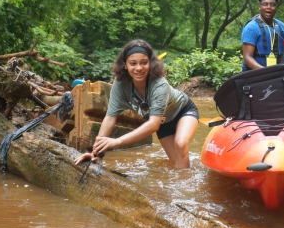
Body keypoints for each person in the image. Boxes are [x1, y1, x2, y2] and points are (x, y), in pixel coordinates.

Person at [74, 39, 199, 169]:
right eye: (133, 63)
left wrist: (118, 141)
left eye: (144, 63)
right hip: (163, 124)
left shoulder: (159, 84)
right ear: (125, 65)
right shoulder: (120, 84)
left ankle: (183, 186)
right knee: (175, 161)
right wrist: (96, 152)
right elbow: (110, 117)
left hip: (183, 111)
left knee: (181, 144)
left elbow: (153, 125)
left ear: (150, 63)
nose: (139, 68)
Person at [241, 0, 284, 71]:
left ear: (276, 7)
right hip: (255, 76)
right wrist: (265, 72)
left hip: (276, 75)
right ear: (260, 7)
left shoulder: (282, 27)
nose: (269, 7)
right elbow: (247, 57)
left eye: (272, 5)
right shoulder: (251, 27)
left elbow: (282, 55)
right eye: (265, 4)